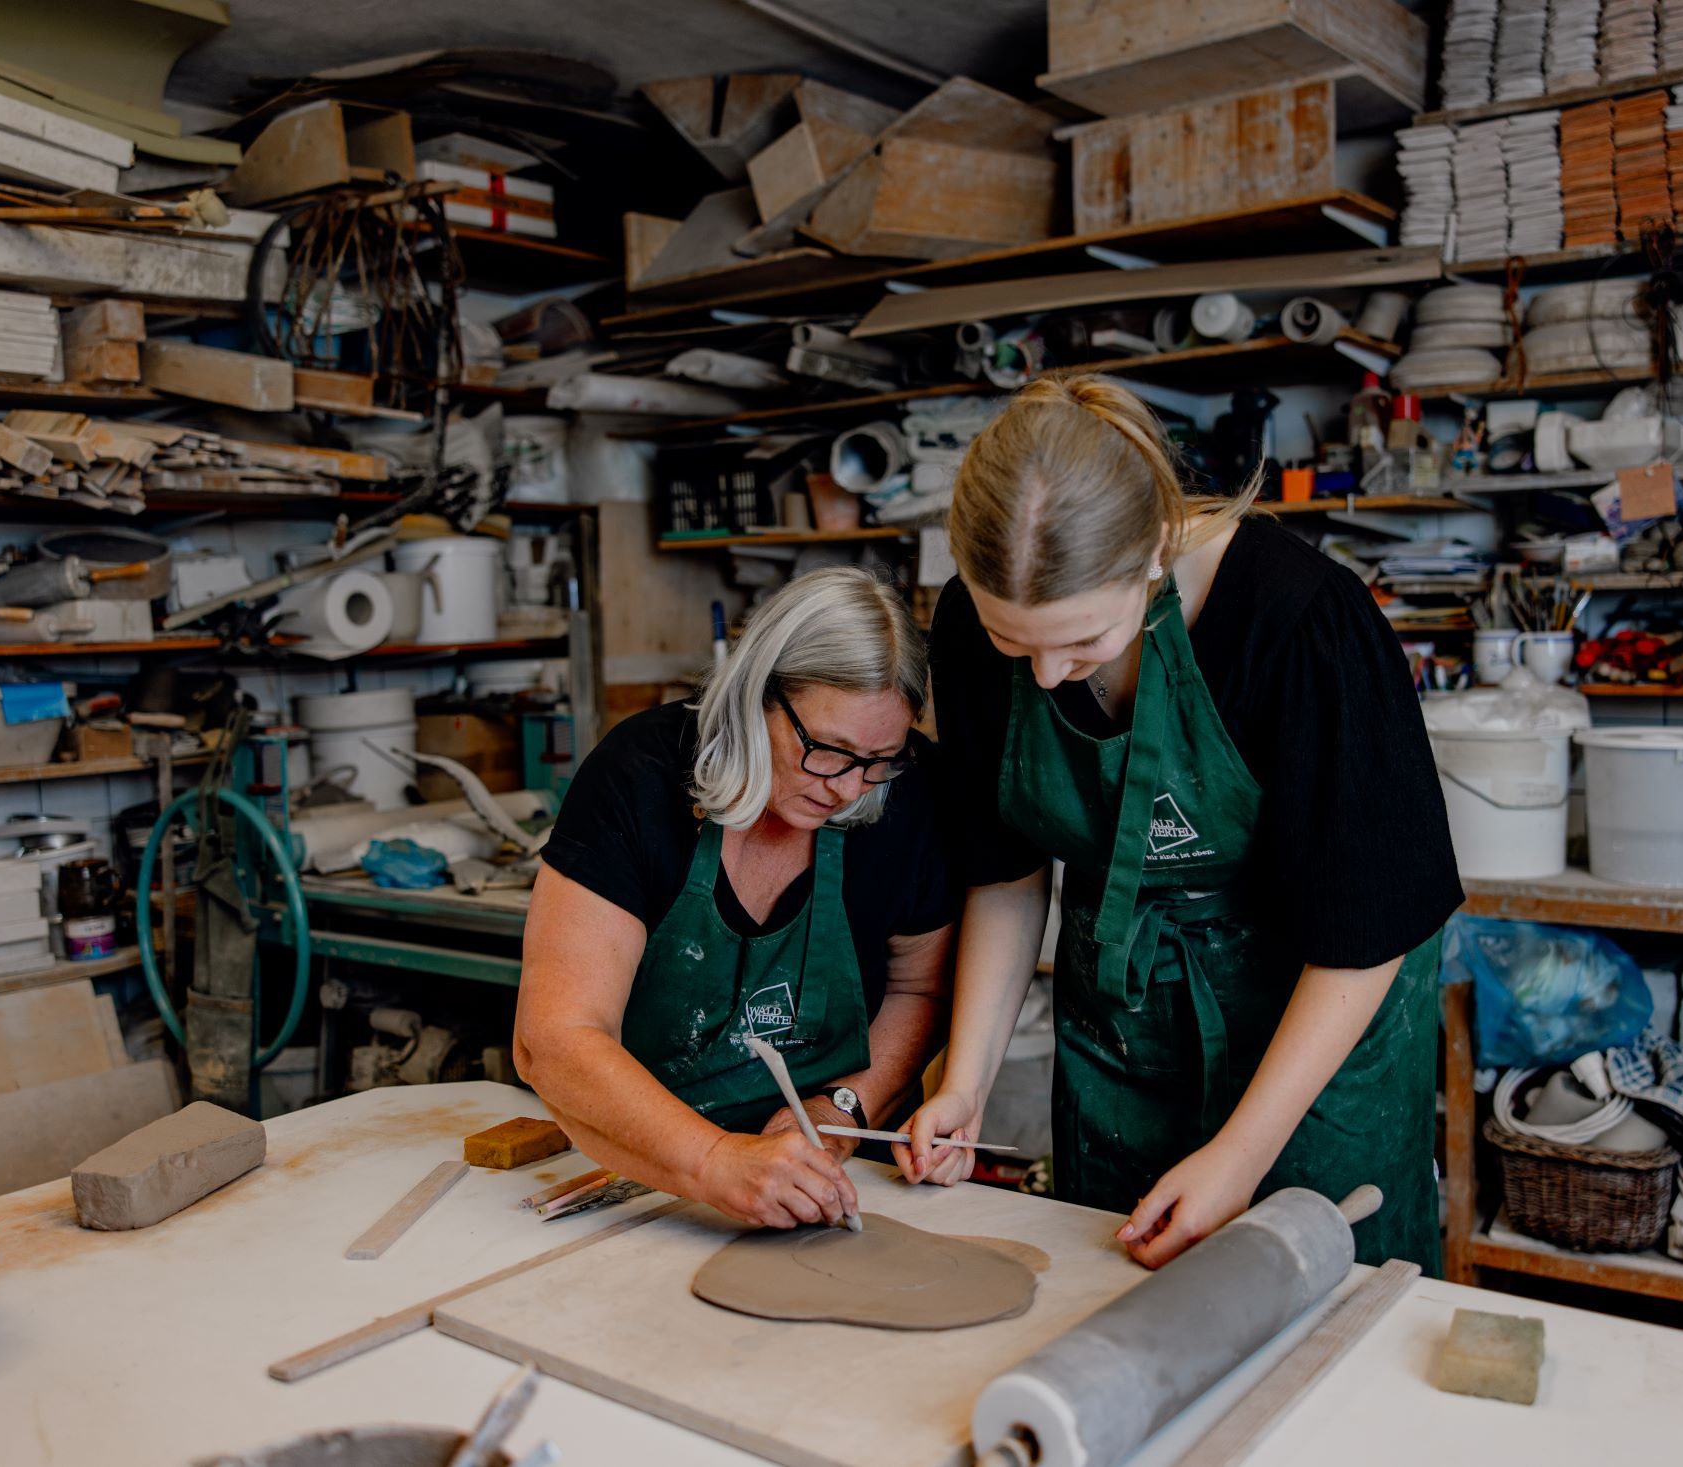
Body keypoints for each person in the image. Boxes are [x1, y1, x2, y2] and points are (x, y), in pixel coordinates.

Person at [900, 375, 1461, 1272]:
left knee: (1306, 1298)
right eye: (1018, 645)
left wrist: (1242, 1156)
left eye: (1084, 643)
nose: (1045, 677)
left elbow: (1367, 930)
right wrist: (967, 1080)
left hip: (1314, 1021)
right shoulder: (974, 626)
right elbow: (1006, 871)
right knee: (1106, 1292)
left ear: (1156, 546)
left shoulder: (1300, 619)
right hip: (1128, 1020)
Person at [515, 566, 956, 1231]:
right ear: (758, 693)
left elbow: (921, 989)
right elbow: (554, 1037)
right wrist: (714, 1158)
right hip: (644, 1176)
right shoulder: (640, 777)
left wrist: (842, 1106)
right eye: (828, 751)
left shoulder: (906, 797)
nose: (848, 789)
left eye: (878, 759)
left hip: (833, 1183)